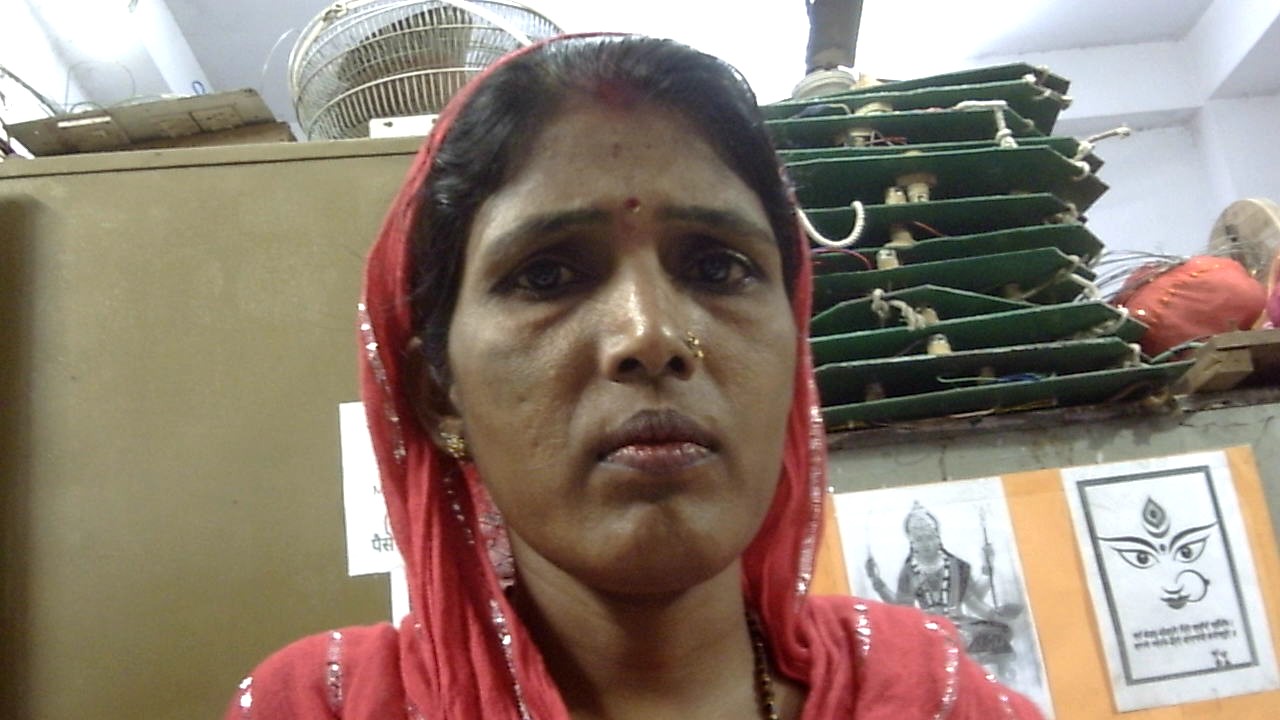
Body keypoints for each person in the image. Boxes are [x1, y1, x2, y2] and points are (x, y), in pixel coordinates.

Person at [226, 34, 1045, 719]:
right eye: (547, 274)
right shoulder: (327, 707)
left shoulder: (931, 698)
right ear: (440, 394)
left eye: (718, 267)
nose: (650, 337)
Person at [866, 502, 1024, 682]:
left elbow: (973, 600)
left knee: (1001, 632)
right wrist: (876, 581)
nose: (926, 544)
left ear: (937, 537)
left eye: (929, 537)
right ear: (912, 543)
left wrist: (988, 572)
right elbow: (902, 608)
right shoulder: (909, 572)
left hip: (961, 624)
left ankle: (997, 677)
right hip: (928, 628)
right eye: (919, 539)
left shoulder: (958, 566)